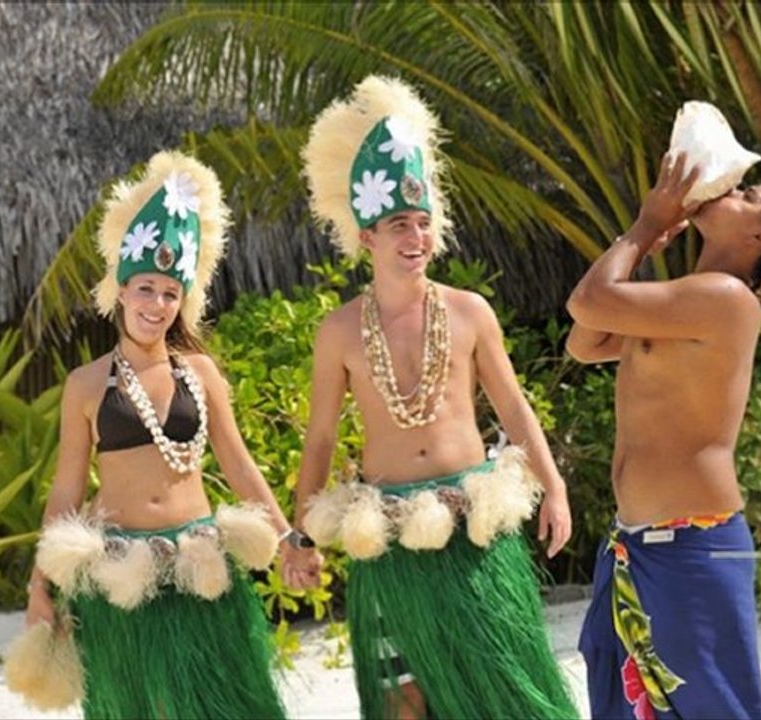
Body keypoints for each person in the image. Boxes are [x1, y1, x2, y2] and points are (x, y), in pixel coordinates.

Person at [281, 75, 579, 720]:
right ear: (367, 236)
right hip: (387, 536)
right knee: (402, 701)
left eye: (423, 223)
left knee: (502, 691)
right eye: (397, 225)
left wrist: (552, 487)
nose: (414, 238)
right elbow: (323, 439)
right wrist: (301, 533)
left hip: (472, 525)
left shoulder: (469, 313)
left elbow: (512, 408)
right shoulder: (338, 332)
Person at [5, 151, 295, 719]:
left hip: (200, 567)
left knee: (224, 705)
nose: (156, 304)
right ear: (120, 288)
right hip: (120, 575)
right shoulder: (86, 386)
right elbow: (66, 493)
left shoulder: (200, 374)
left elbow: (238, 465)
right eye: (145, 289)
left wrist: (286, 539)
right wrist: (40, 585)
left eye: (169, 292)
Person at [567, 151, 761, 719]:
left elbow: (586, 301)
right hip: (637, 541)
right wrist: (637, 250)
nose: (734, 190)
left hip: (691, 545)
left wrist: (647, 225)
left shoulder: (727, 302)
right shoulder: (684, 298)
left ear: (760, 233)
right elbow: (583, 342)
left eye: (750, 195)